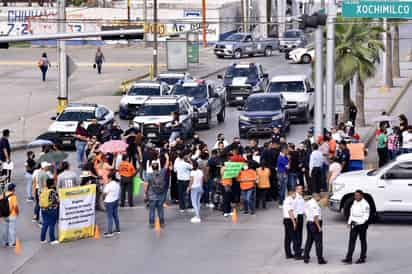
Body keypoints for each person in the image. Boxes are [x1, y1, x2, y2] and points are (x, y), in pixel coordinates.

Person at [342, 190, 370, 264]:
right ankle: (349, 258)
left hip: (362, 225)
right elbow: (351, 213)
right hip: (354, 224)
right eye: (355, 195)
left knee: (362, 241)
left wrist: (358, 223)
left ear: (362, 196)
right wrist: (349, 222)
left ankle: (362, 258)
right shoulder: (354, 202)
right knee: (351, 241)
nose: (356, 197)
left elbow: (366, 217)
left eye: (357, 195)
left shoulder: (365, 204)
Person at [303, 192, 327, 264]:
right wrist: (319, 227)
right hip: (315, 224)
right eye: (319, 197)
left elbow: (304, 212)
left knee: (309, 241)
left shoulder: (308, 202)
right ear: (315, 197)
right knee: (318, 242)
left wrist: (308, 217)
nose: (320, 198)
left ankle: (306, 257)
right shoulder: (314, 204)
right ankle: (320, 259)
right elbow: (315, 217)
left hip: (309, 223)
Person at [145, 161, 167, 228]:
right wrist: (167, 158)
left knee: (152, 210)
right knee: (160, 209)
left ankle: (151, 223)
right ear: (158, 167)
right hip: (161, 195)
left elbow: (146, 186)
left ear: (152, 168)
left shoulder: (149, 175)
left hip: (152, 196)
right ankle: (162, 222)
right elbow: (166, 166)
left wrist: (146, 194)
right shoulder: (162, 173)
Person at [40, 179, 59, 245]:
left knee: (45, 224)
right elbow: (56, 200)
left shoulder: (43, 190)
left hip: (43, 209)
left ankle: (42, 239)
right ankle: (52, 239)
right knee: (52, 224)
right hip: (51, 210)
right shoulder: (52, 192)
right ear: (52, 184)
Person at [103, 173, 120, 237]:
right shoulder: (117, 184)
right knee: (115, 216)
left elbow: (104, 194)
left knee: (109, 217)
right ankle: (118, 229)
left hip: (109, 202)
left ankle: (110, 232)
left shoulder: (108, 185)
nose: (107, 179)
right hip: (115, 201)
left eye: (107, 178)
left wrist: (103, 199)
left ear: (110, 178)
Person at [283, 190, 299, 259]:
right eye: (295, 194)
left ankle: (288, 254)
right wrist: (294, 222)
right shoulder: (289, 200)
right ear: (291, 193)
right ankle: (297, 254)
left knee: (288, 238)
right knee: (294, 238)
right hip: (289, 220)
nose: (295, 195)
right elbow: (290, 212)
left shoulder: (287, 200)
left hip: (287, 220)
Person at [2, 183, 19, 247]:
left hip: (4, 215)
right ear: (12, 189)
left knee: (5, 229)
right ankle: (12, 243)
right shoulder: (13, 196)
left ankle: (5, 242)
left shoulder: (2, 195)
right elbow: (15, 206)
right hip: (12, 214)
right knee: (11, 229)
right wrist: (17, 212)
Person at [294, 185, 305, 258]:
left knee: (300, 234)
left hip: (301, 216)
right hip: (297, 217)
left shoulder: (301, 197)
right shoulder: (295, 198)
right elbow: (294, 209)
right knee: (297, 235)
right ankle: (297, 254)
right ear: (296, 190)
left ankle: (298, 249)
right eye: (299, 189)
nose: (301, 190)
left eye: (301, 189)